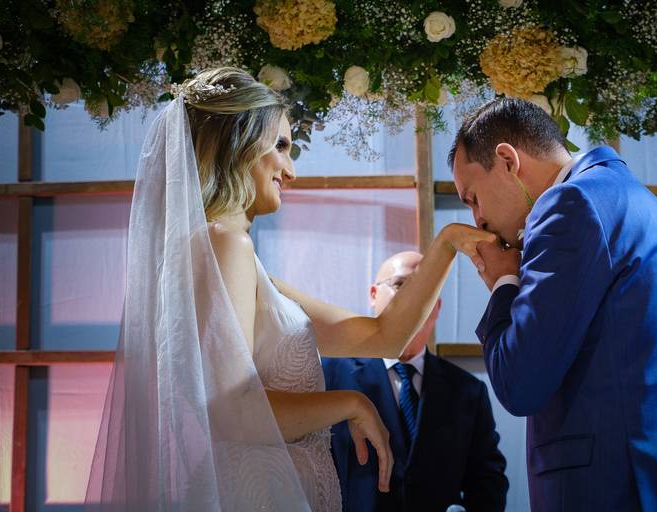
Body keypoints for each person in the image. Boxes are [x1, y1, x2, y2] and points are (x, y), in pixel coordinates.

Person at [85, 67, 495, 512]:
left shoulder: (237, 259)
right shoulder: (225, 244)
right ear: (238, 144)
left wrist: (447, 244)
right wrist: (351, 403)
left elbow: (383, 337)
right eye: (280, 146)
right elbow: (232, 411)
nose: (292, 170)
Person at [449, 97, 657, 511]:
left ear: (507, 160)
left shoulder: (569, 206)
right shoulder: (642, 202)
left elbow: (519, 384)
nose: (478, 220)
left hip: (614, 488)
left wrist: (503, 282)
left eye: (473, 198)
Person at [323, 251, 509, 512]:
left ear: (437, 306)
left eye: (426, 288)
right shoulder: (331, 377)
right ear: (374, 295)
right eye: (401, 285)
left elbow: (488, 482)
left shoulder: (468, 391)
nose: (414, 298)